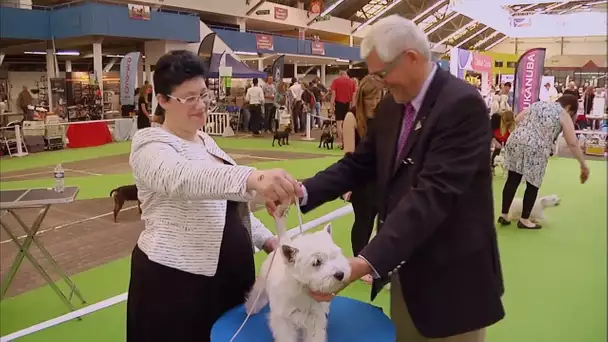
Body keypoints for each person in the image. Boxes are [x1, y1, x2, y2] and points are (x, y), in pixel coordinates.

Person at [281, 15, 505, 342]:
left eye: (383, 73)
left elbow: (432, 196)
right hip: (406, 271)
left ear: (411, 57)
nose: (381, 83)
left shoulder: (461, 106)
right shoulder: (392, 106)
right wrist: (301, 191)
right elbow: (359, 164)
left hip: (454, 281)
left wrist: (363, 263)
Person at [127, 50, 301, 342]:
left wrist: (267, 239)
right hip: (176, 285)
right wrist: (253, 177)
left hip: (230, 279)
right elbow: (184, 178)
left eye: (203, 95)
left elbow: (224, 207)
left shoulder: (206, 141)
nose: (200, 106)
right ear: (162, 100)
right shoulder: (149, 145)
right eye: (189, 98)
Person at [498, 95, 589, 229]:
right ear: (569, 107)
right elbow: (572, 142)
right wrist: (583, 164)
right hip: (536, 147)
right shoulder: (563, 114)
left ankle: (504, 215)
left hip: (516, 140)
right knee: (533, 183)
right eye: (573, 113)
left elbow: (517, 119)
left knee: (512, 179)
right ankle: (524, 220)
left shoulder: (537, 104)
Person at [341, 75, 383, 285]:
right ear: (362, 97)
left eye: (378, 97)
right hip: (362, 178)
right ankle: (359, 263)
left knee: (383, 219)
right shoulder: (351, 117)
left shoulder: (382, 114)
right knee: (363, 221)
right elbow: (350, 153)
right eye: (370, 98)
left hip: (381, 176)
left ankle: (377, 261)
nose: (374, 102)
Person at [331, 71, 356, 149]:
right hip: (348, 104)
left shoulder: (335, 81)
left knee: (339, 125)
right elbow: (354, 95)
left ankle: (342, 142)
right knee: (347, 124)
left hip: (338, 103)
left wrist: (332, 105)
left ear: (339, 74)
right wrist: (353, 106)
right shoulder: (352, 82)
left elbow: (333, 94)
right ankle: (348, 143)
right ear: (346, 74)